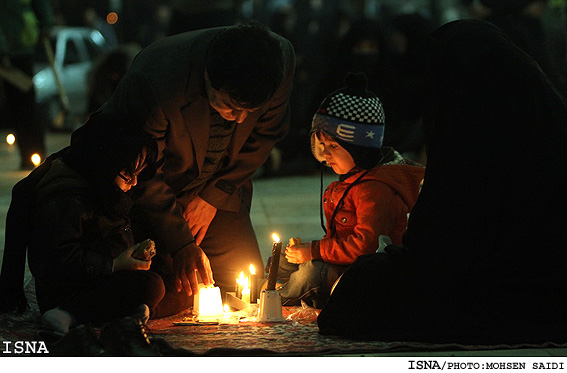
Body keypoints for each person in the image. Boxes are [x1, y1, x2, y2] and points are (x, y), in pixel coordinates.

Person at [318, 19, 567, 344]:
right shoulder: (544, 117)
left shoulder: (474, 131)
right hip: (549, 284)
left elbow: (451, 246)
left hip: (512, 287)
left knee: (363, 287)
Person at [92, 21, 295, 317]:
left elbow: (264, 136)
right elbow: (144, 173)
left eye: (248, 111)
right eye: (229, 106)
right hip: (156, 196)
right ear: (209, 79)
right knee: (163, 291)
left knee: (244, 289)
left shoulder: (280, 62)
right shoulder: (157, 82)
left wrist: (213, 197)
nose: (238, 120)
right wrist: (182, 243)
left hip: (221, 187)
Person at [0, 112, 165, 338]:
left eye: (137, 174)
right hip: (67, 290)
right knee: (150, 286)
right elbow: (57, 259)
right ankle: (68, 314)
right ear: (106, 164)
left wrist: (132, 256)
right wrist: (115, 264)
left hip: (98, 279)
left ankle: (127, 309)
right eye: (128, 175)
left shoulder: (102, 186)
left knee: (167, 278)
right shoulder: (67, 196)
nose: (134, 183)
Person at [275, 72, 424, 308]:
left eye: (334, 146)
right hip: (344, 265)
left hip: (368, 276)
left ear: (361, 150)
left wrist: (314, 251)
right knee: (283, 259)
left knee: (310, 274)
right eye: (320, 145)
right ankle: (274, 287)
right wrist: (308, 252)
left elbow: (365, 247)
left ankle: (275, 299)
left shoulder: (375, 189)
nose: (325, 154)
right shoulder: (351, 180)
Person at [0, 0, 54, 169]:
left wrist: (46, 24)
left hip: (22, 48)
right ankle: (28, 155)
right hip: (10, 52)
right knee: (18, 107)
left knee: (26, 105)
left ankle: (35, 154)